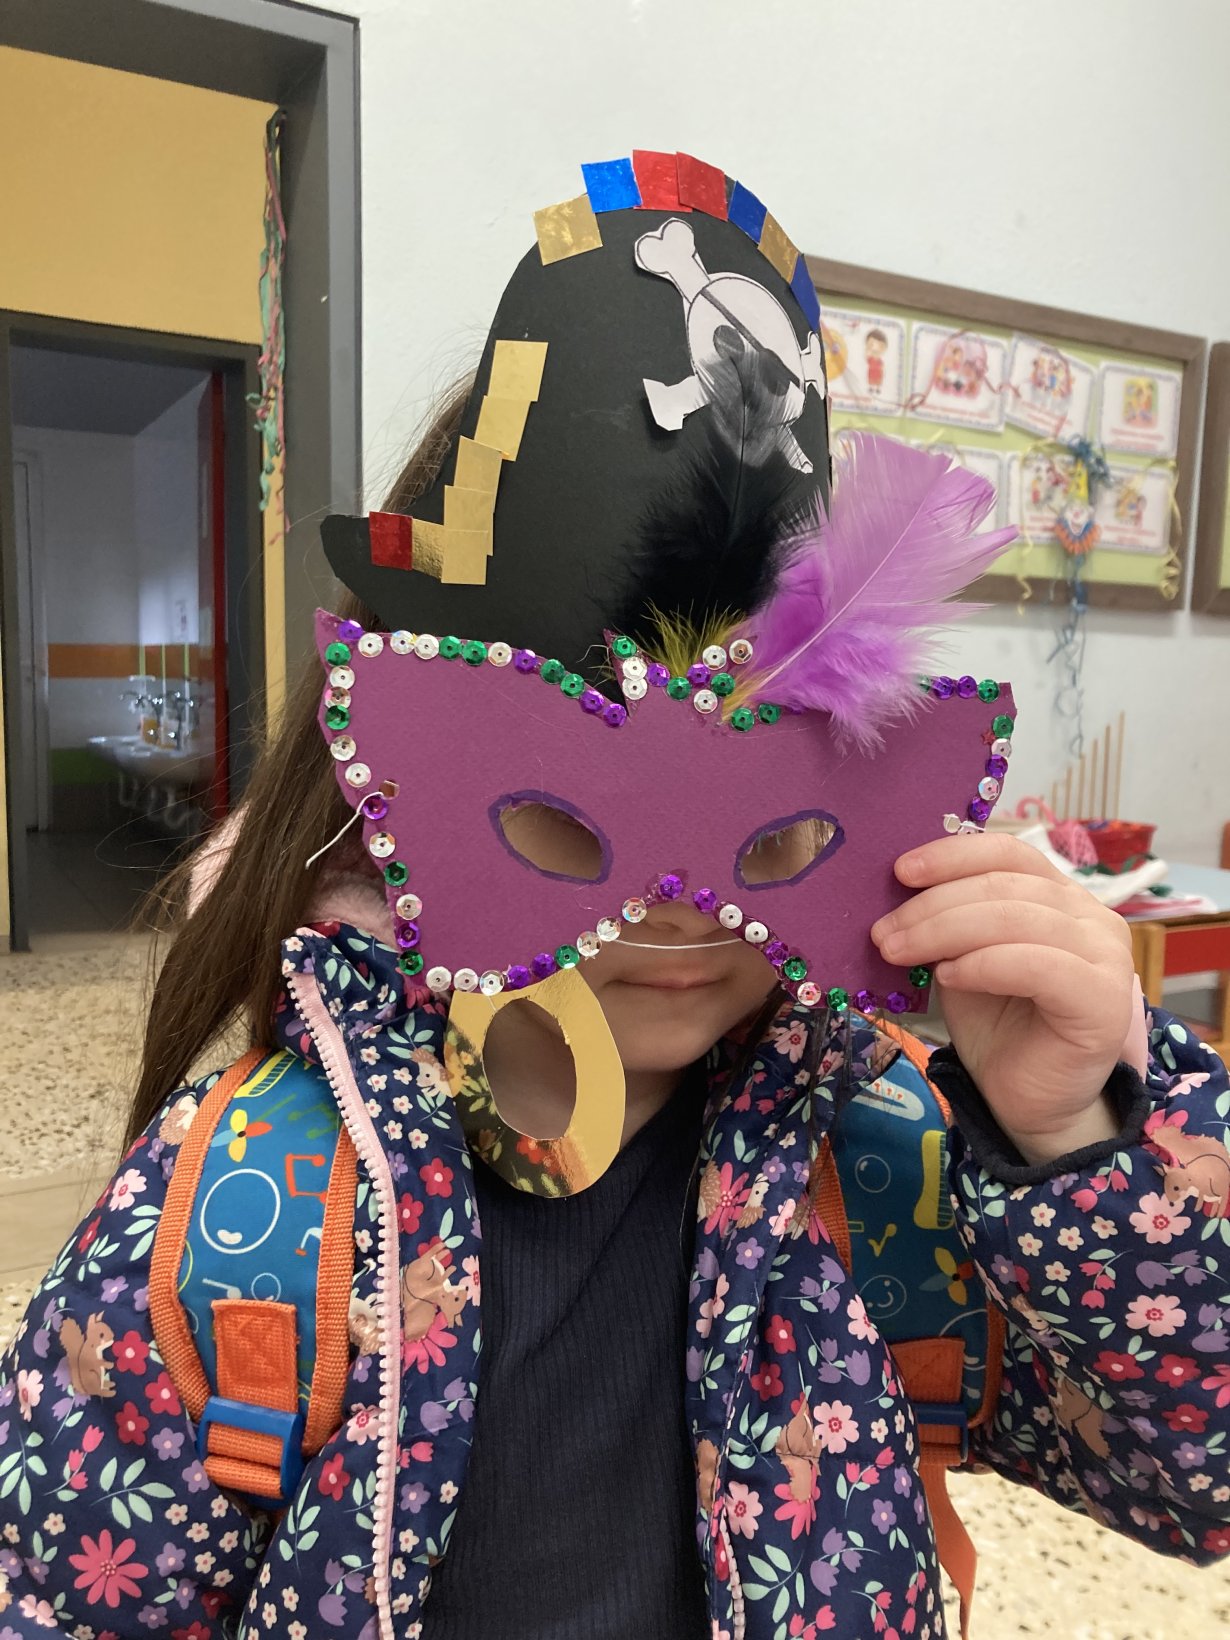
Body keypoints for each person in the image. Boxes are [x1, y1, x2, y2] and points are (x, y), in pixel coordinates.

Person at [2, 152, 1228, 1640]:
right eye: (570, 810)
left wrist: (1073, 1139)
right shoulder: (244, 1210)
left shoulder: (885, 1169)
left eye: (766, 808)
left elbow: (1196, 1478)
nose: (684, 903)